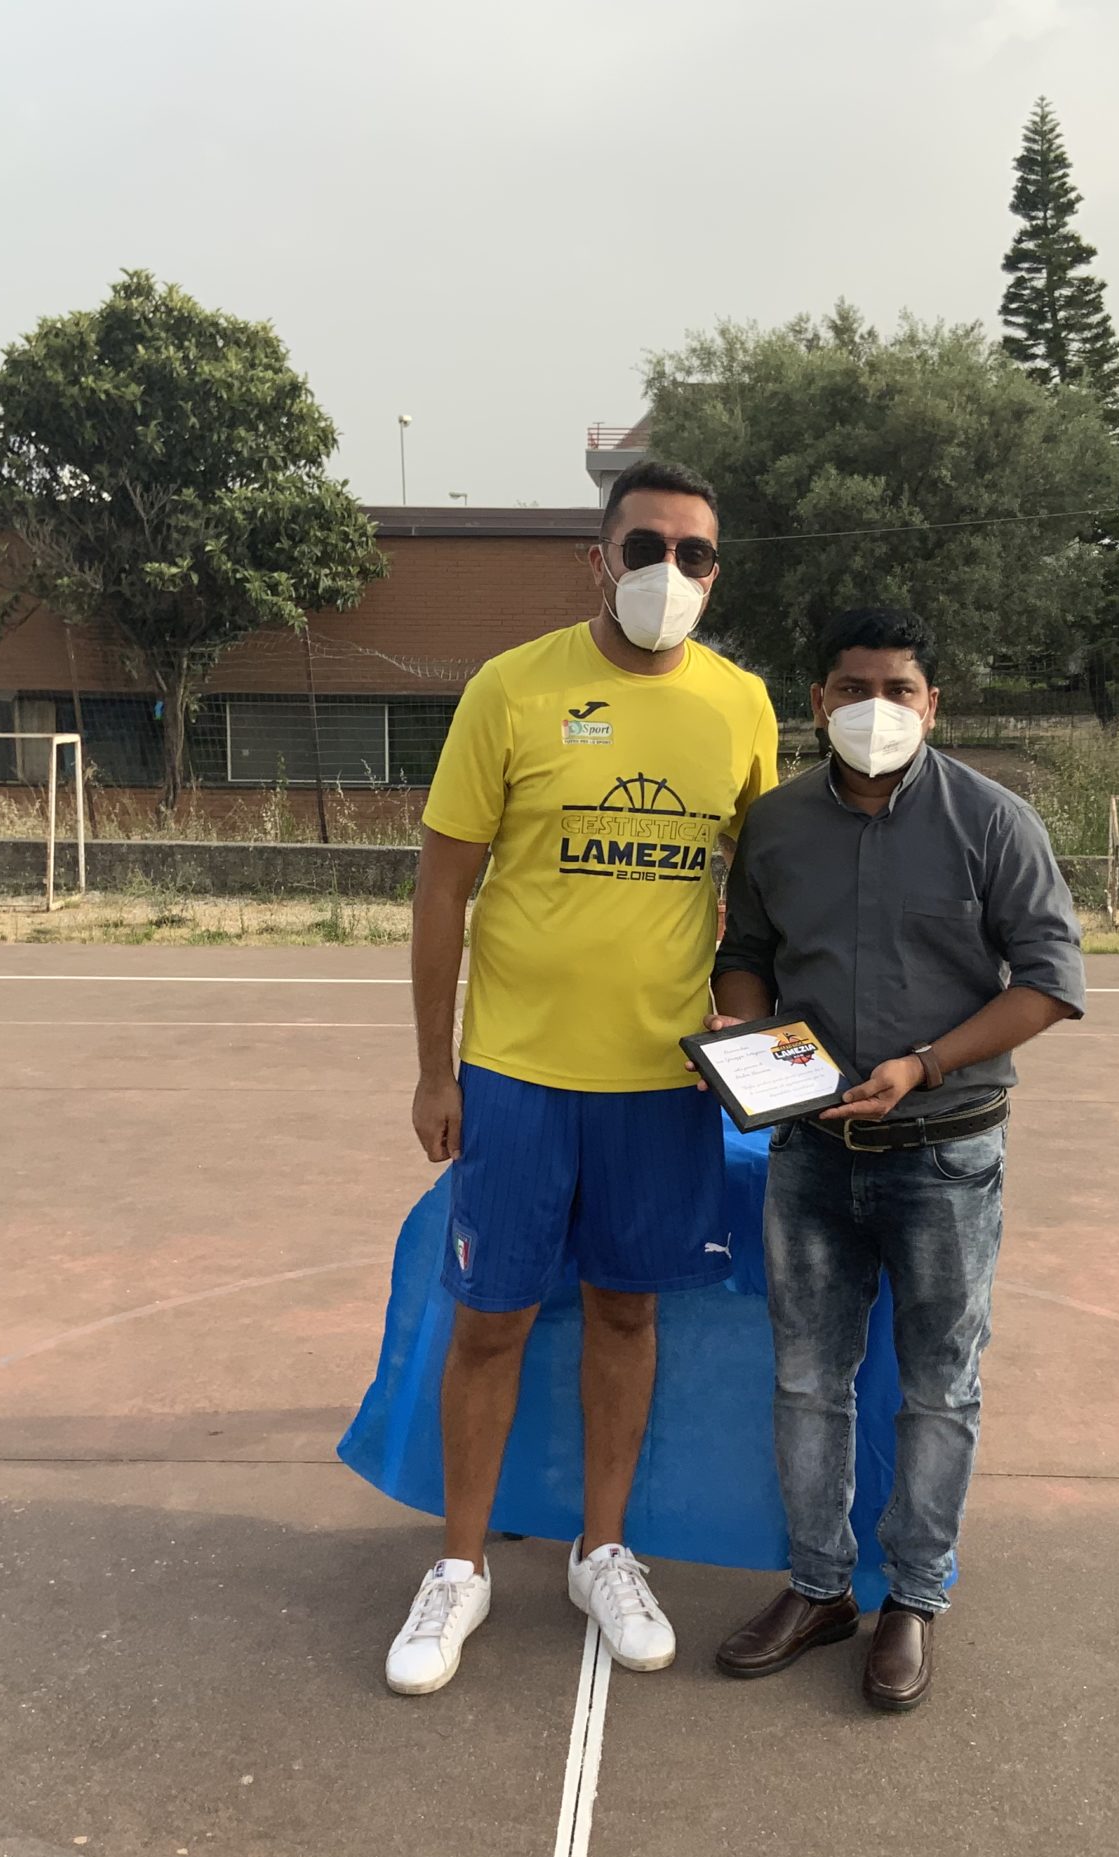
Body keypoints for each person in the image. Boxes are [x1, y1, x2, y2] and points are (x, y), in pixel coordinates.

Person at [386, 459, 781, 1696]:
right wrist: (434, 1070)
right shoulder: (512, 688)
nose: (669, 570)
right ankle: (458, 1567)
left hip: (662, 1087)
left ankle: (600, 1552)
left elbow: (762, 899)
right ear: (598, 558)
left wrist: (749, 1044)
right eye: (645, 546)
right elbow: (441, 893)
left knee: (623, 1313)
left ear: (716, 574)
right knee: (491, 1319)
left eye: (693, 553)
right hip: (515, 1074)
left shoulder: (742, 706)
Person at [707, 607, 1085, 1712]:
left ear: (933, 704)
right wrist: (747, 1033)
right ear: (817, 702)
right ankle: (820, 1588)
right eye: (852, 688)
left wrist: (923, 1065)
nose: (874, 708)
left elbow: (1048, 982)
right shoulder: (777, 825)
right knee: (806, 1381)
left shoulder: (994, 821)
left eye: (898, 690)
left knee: (938, 1388)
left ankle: (913, 1598)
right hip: (811, 1152)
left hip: (945, 1152)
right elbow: (746, 953)